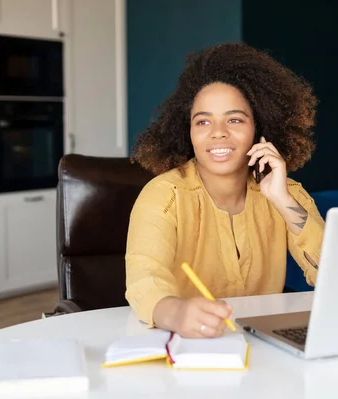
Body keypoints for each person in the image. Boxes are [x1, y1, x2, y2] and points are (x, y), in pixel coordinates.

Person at [125, 43, 325, 339]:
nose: (218, 132)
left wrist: (282, 200)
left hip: (262, 347)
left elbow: (332, 274)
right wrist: (177, 313)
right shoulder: (164, 195)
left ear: (259, 129)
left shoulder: (285, 191)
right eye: (203, 121)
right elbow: (145, 280)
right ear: (188, 132)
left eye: (234, 119)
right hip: (183, 344)